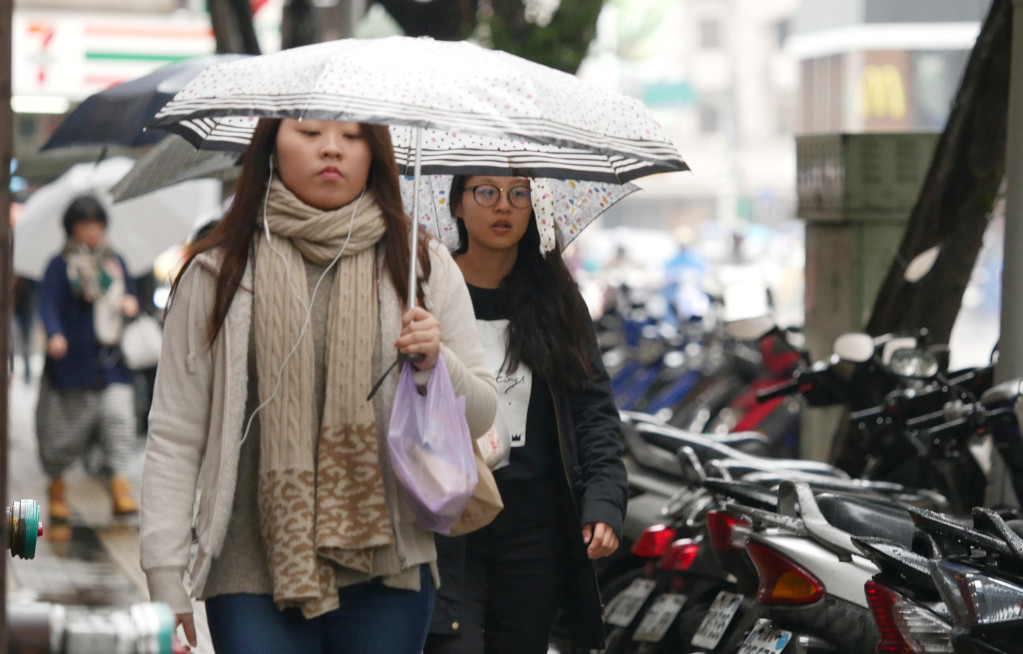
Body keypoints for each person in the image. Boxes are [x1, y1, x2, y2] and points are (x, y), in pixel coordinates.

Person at [139, 118, 497, 654]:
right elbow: (174, 435)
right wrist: (166, 577)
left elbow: (484, 414)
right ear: (271, 148)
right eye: (309, 133)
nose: (332, 148)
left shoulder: (419, 265)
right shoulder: (219, 272)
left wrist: (435, 361)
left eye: (352, 137)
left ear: (374, 154)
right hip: (250, 571)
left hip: (390, 571)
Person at [424, 175, 629, 654]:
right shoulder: (425, 294)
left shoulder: (557, 302)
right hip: (449, 521)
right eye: (486, 192)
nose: (504, 206)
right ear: (456, 203)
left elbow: (593, 410)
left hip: (534, 527)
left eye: (519, 193)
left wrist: (603, 499)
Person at [35, 196, 142, 536]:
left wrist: (130, 305)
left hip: (112, 363)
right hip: (71, 365)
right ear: (73, 228)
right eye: (85, 225)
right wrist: (54, 334)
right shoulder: (59, 265)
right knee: (62, 433)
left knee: (119, 421)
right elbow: (47, 303)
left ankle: (120, 486)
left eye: (97, 224)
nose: (92, 231)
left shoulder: (116, 263)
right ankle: (56, 489)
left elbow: (134, 299)